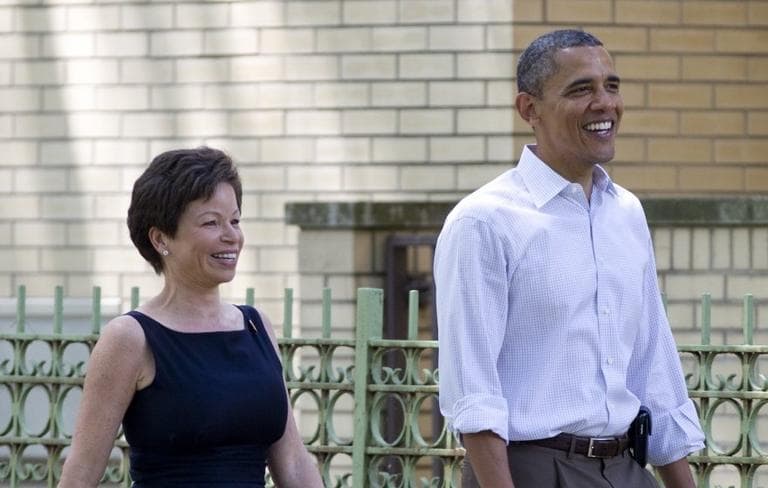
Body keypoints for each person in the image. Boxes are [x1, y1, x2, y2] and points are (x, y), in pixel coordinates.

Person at [434, 30, 705, 488]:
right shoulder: (484, 222)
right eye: (581, 89)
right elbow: (473, 392)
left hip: (627, 468)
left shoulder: (626, 213)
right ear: (529, 109)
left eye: (611, 86)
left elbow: (654, 369)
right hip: (530, 471)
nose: (605, 103)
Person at [58, 147, 323, 487]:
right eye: (211, 222)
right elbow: (79, 477)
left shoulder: (256, 326)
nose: (231, 236)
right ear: (160, 238)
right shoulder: (130, 338)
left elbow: (295, 464)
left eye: (235, 220)